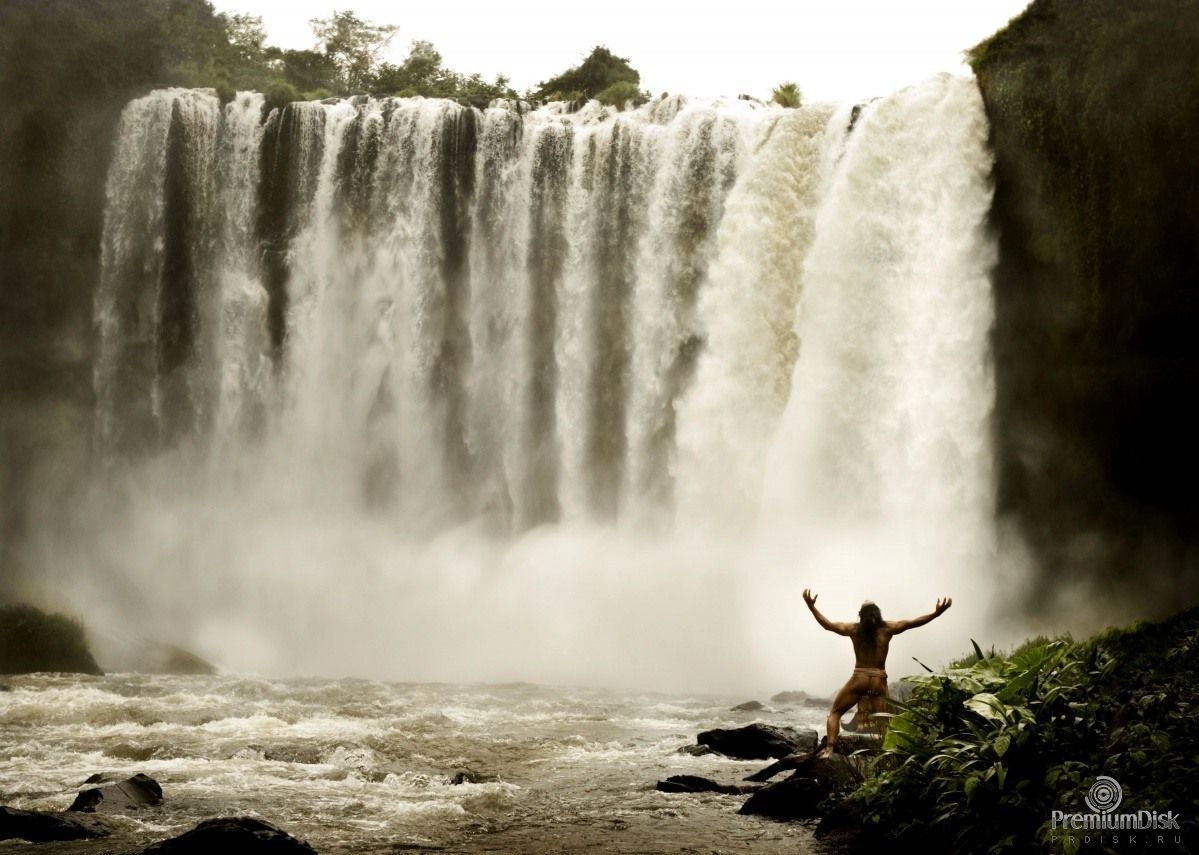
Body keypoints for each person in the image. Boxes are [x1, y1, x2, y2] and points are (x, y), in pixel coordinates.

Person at [802, 589, 952, 758]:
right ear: (878, 614)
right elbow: (914, 622)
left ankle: (829, 750)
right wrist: (936, 614)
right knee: (884, 722)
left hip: (859, 678)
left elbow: (828, 625)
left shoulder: (854, 629)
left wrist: (811, 607)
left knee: (835, 713)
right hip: (879, 680)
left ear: (861, 615)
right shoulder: (887, 628)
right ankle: (887, 755)